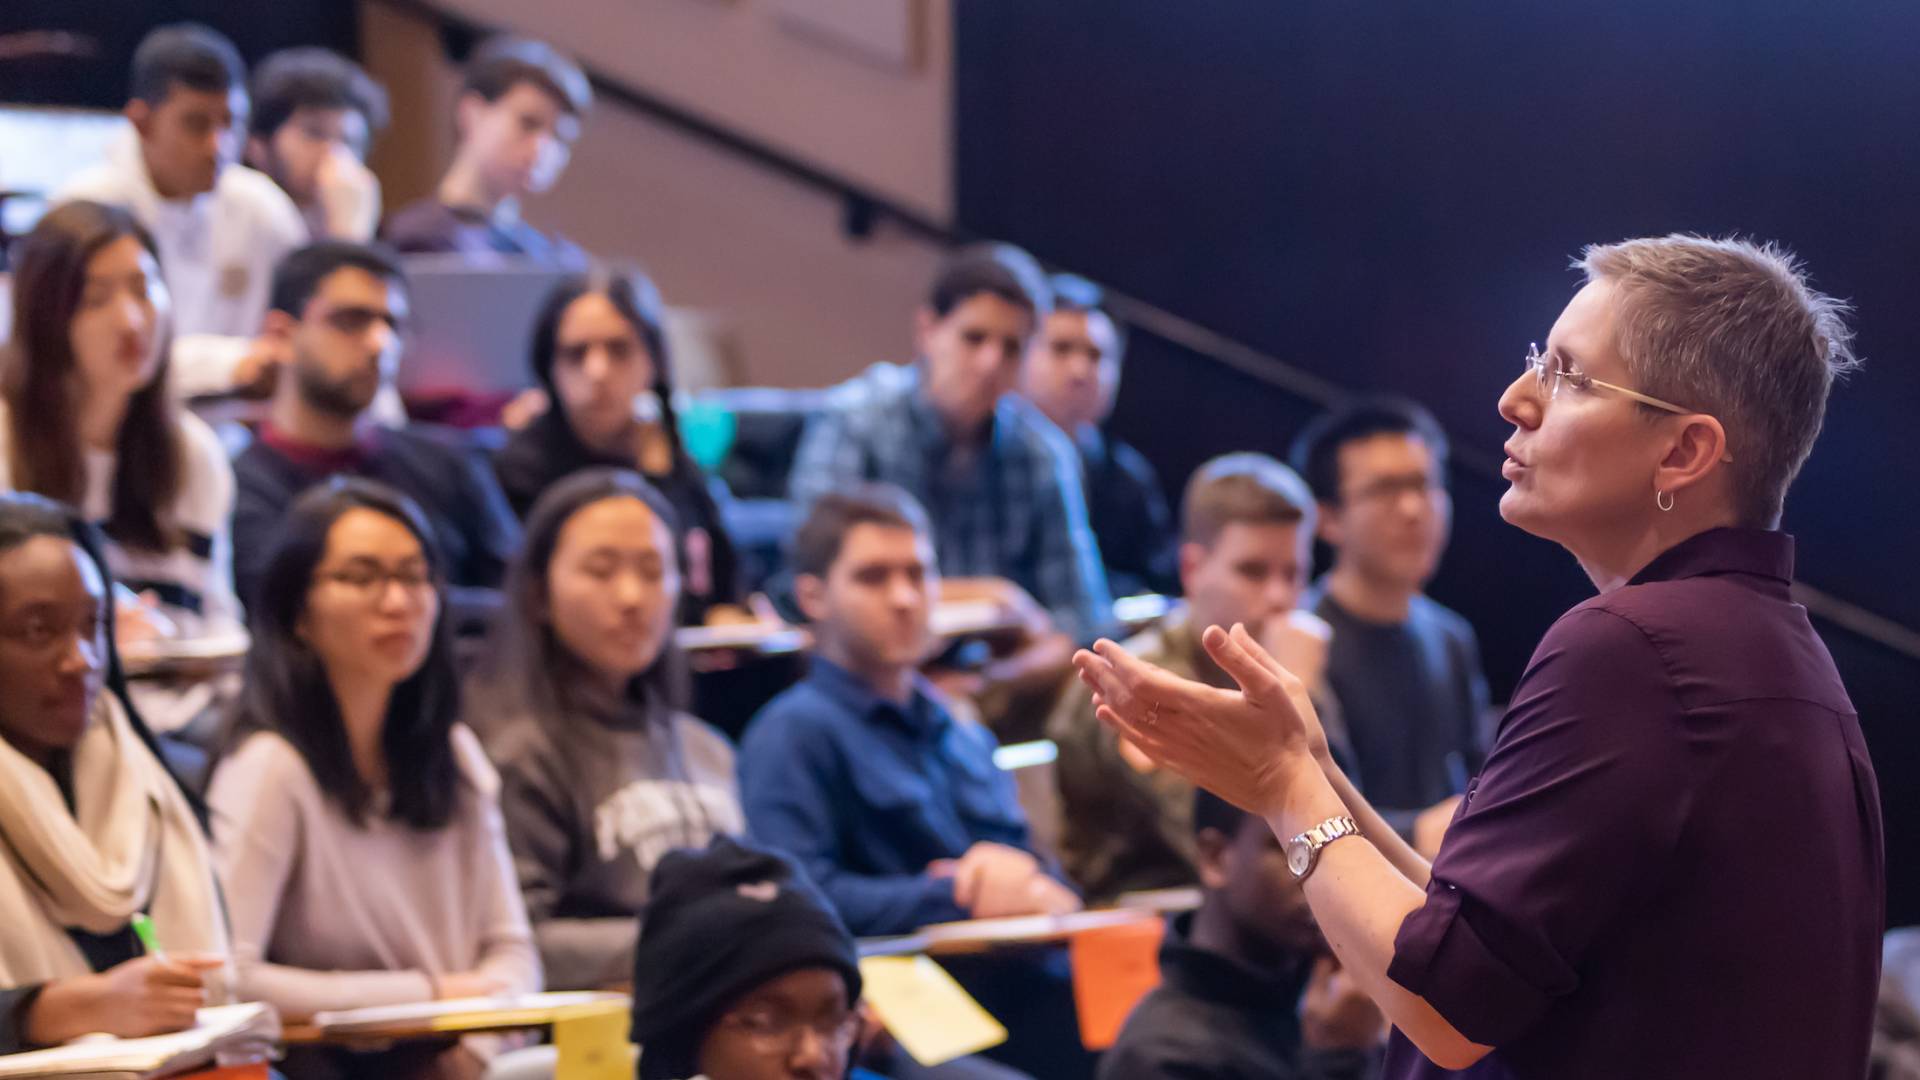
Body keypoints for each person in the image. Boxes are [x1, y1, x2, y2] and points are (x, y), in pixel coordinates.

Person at [1076, 234, 1881, 1078]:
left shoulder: (1634, 647)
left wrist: (1284, 791)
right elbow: (1482, 940)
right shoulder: (1780, 651)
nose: (1515, 399)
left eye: (1568, 376)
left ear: (1683, 452)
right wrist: (1315, 769)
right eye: (1538, 361)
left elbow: (1451, 1006)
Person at [740, 485, 1091, 1080]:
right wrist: (957, 893)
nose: (904, 598)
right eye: (873, 577)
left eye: (918, 574)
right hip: (896, 1014)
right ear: (813, 596)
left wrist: (1037, 885)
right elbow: (799, 899)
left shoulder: (959, 727)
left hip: (1021, 982)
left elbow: (1029, 865)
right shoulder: (792, 732)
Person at [206, 479, 540, 1078]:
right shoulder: (270, 766)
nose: (397, 601)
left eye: (415, 577)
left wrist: (474, 1051)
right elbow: (225, 978)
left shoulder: (454, 752)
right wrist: (424, 997)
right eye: (362, 578)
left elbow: (513, 953)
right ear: (297, 611)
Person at [474, 469, 744, 993]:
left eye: (653, 570)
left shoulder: (706, 747)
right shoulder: (514, 753)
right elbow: (516, 946)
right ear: (538, 593)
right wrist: (694, 943)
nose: (631, 596)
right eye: (601, 570)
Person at [0, 493, 230, 1055]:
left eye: (94, 625)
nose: (80, 658)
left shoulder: (151, 782)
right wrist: (51, 1011)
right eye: (38, 630)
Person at [1047, 453, 1334, 903]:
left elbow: (1342, 817)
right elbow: (1225, 843)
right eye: (1253, 571)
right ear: (1192, 570)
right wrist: (1299, 699)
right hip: (1147, 921)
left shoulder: (1283, 659)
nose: (1280, 597)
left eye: (1294, 573)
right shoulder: (1137, 680)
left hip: (1271, 912)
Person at [230, 241, 520, 606]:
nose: (380, 343)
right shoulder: (240, 488)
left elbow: (519, 600)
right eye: (351, 320)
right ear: (281, 335)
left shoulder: (451, 465)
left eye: (393, 325)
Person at [0, 200, 239, 642]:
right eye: (96, 299)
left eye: (143, 289)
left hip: (172, 684)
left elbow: (218, 620)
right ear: (45, 318)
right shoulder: (6, 446)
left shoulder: (193, 453)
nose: (130, 321)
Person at [57, 23, 307, 400]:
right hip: (120, 419)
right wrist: (228, 365)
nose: (218, 146)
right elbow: (75, 359)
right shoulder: (86, 209)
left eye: (230, 123)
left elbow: (308, 330)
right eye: (196, 124)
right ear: (142, 123)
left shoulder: (262, 208)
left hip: (243, 423)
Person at [1288, 398, 1490, 854]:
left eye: (1425, 484)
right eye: (1385, 490)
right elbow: (1295, 814)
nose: (1414, 509)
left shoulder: (1451, 637)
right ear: (1328, 518)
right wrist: (1418, 832)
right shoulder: (1300, 641)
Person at [491, 270, 743, 623]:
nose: (597, 371)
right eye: (576, 354)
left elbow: (725, 584)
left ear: (654, 362)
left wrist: (730, 616)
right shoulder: (514, 474)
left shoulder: (672, 459)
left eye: (619, 350)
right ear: (549, 368)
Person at [1100, 788, 1385, 1079]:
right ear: (1215, 857)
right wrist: (1340, 1060)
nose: (1328, 877)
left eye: (1341, 849)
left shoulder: (1337, 1007)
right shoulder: (1158, 1058)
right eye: (1295, 848)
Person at [1019, 273, 1177, 598]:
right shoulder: (988, 455)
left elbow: (1159, 584)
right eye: (1061, 349)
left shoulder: (1129, 478)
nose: (1080, 370)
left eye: (1095, 355)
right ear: (1023, 354)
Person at [382, 35, 591, 266]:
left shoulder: (553, 260)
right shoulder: (407, 238)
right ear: (472, 113)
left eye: (560, 138)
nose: (542, 149)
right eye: (528, 123)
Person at [245, 47, 390, 242]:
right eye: (315, 133)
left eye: (350, 141)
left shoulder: (381, 232)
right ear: (258, 147)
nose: (334, 154)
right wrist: (347, 238)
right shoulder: (235, 225)